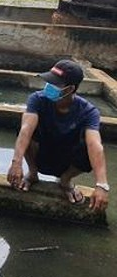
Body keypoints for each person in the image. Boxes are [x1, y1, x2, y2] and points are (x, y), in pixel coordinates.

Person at [6, 59, 109, 211]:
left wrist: (102, 184)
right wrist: (16, 162)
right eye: (49, 82)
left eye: (56, 84)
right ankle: (32, 173)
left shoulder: (88, 112)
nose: (49, 87)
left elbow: (95, 145)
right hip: (40, 153)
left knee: (90, 149)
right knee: (24, 126)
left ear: (70, 89)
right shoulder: (38, 99)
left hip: (67, 160)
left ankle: (65, 181)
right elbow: (26, 129)